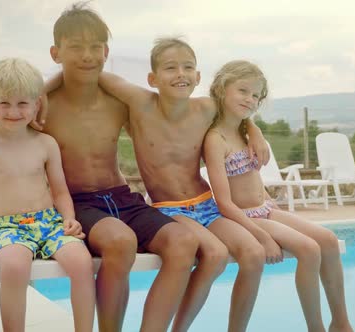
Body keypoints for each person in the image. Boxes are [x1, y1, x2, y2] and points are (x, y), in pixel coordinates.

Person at [0, 3, 199, 332]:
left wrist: (247, 128)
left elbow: (175, 114)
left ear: (106, 51)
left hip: (122, 197)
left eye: (95, 46)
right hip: (79, 202)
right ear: (56, 52)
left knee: (183, 243)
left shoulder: (118, 98)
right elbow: (6, 130)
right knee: (120, 242)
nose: (87, 55)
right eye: (76, 46)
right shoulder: (43, 104)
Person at [92, 37, 271, 332]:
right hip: (168, 208)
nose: (180, 74)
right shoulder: (140, 103)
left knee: (253, 253)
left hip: (205, 203)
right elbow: (93, 71)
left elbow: (239, 111)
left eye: (188, 67)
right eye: (170, 68)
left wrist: (255, 130)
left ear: (198, 77)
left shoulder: (205, 108)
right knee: (214, 255)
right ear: (152, 78)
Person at [203, 60, 354, 332]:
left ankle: (341, 323)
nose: (250, 99)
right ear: (222, 88)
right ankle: (315, 327)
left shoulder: (244, 130)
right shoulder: (216, 139)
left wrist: (253, 130)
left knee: (328, 240)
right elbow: (224, 202)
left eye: (256, 96)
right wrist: (261, 237)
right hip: (242, 217)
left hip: (264, 208)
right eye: (243, 91)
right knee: (308, 250)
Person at [0, 57, 95, 332]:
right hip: (9, 226)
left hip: (49, 222)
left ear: (37, 103)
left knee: (82, 264)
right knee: (14, 267)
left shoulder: (46, 143)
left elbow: (59, 190)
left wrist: (69, 219)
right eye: (4, 103)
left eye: (23, 103)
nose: (14, 111)